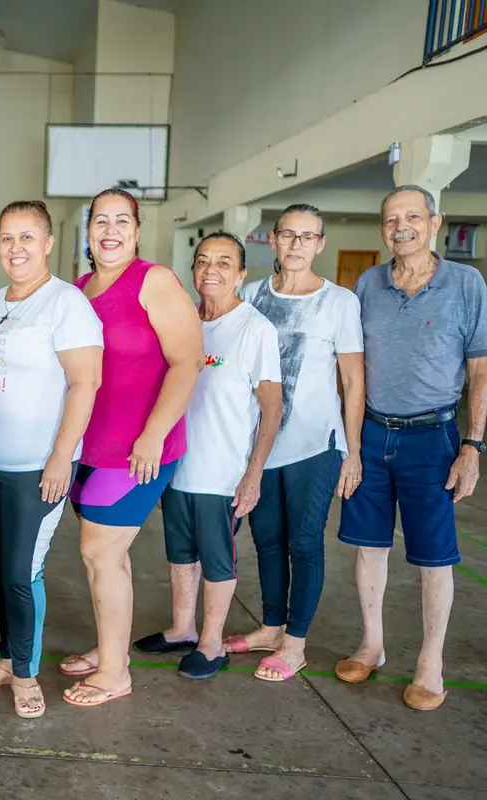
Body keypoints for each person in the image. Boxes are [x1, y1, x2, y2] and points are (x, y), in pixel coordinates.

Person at [336, 185, 487, 711]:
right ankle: (372, 645)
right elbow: (351, 371)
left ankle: (431, 663)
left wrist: (472, 445)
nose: (401, 226)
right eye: (390, 218)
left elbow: (480, 369)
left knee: (433, 555)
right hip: (374, 433)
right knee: (369, 545)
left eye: (412, 217)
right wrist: (350, 446)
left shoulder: (467, 283)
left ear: (435, 222)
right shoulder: (368, 284)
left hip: (434, 436)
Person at [0, 200, 104, 718]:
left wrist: (62, 457)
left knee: (23, 571)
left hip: (35, 467)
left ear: (47, 243)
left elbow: (86, 384)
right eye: (6, 238)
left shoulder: (66, 304)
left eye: (26, 238)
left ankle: (25, 673)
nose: (15, 248)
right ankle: (7, 655)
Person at [61, 188, 203, 708]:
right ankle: (108, 648)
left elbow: (188, 363)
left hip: (138, 448)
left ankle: (116, 672)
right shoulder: (78, 288)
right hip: (90, 446)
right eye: (101, 221)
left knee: (101, 550)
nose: (111, 230)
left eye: (122, 221)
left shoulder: (155, 280)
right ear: (89, 230)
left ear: (138, 230)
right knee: (106, 557)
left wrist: (153, 434)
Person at [227, 204, 365, 682]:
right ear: (274, 240)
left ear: (320, 244)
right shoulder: (250, 295)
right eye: (289, 235)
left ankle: (296, 641)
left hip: (315, 444)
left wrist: (352, 451)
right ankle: (271, 626)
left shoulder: (340, 302)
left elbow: (352, 379)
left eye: (308, 237)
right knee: (266, 540)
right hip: (262, 446)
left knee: (303, 541)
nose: (298, 244)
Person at [137, 233, 282, 680]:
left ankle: (212, 642)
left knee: (218, 558)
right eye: (202, 262)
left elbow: (273, 409)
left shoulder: (255, 329)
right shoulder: (184, 321)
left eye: (224, 263)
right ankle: (182, 628)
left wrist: (253, 474)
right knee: (180, 553)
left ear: (241, 274)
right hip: (176, 465)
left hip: (221, 473)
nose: (211, 270)